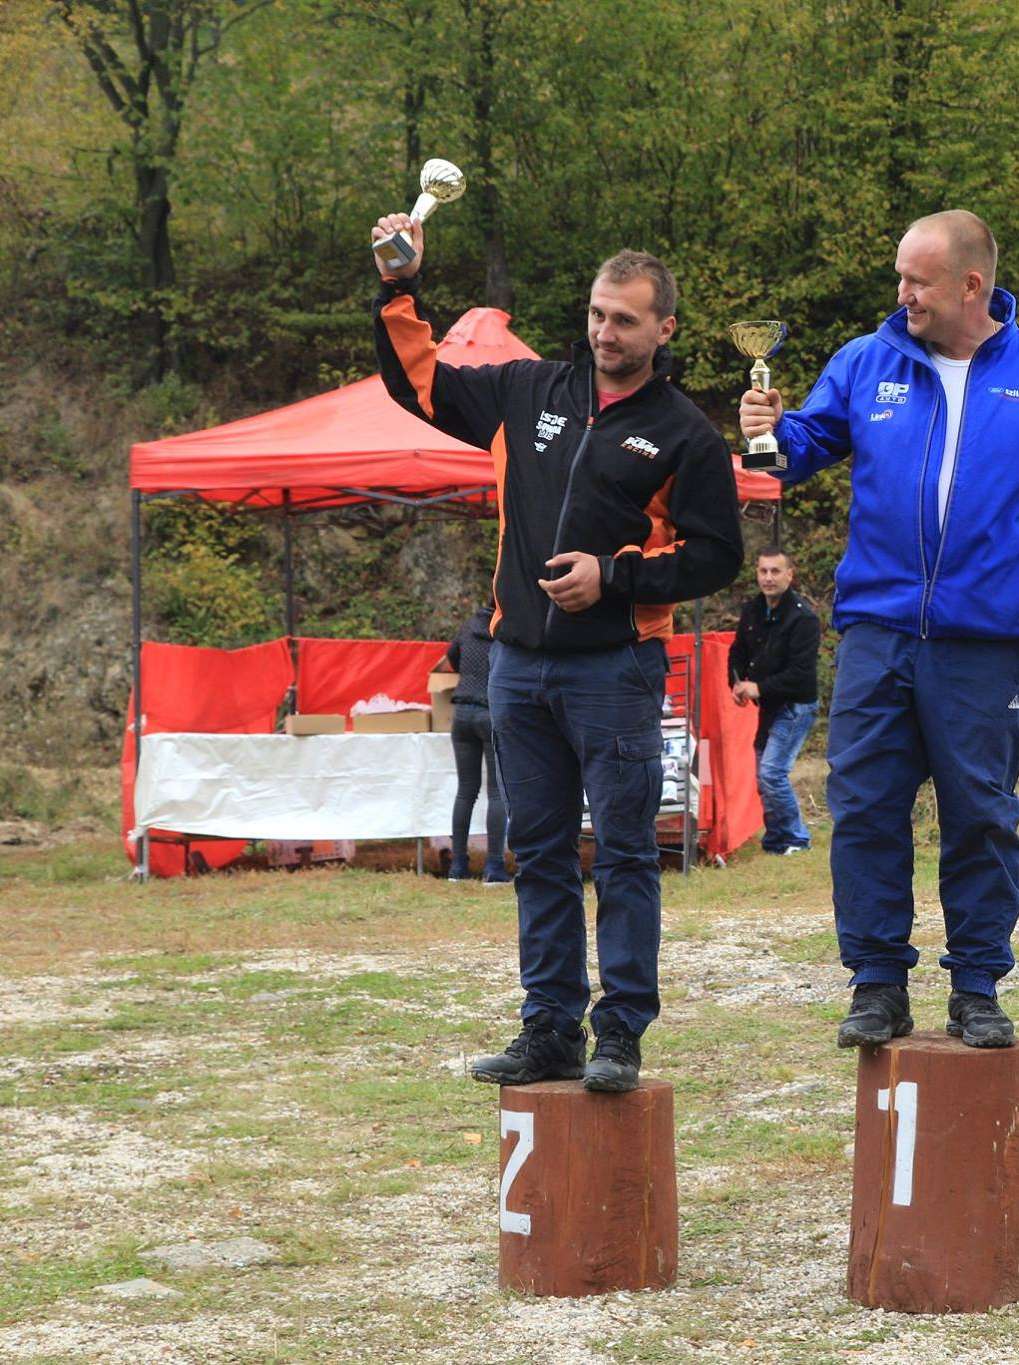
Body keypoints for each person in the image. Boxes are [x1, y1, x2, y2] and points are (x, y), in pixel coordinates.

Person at [372, 217, 743, 1092]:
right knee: (535, 853)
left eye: (625, 320)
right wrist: (397, 288)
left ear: (664, 329)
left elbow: (716, 554)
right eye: (597, 314)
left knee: (622, 855)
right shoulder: (527, 389)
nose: (606, 332)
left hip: (616, 667)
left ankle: (619, 1034)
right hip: (517, 665)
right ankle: (549, 1029)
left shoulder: (685, 434)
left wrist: (614, 576)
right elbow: (418, 384)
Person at [738, 209, 1019, 1050]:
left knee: (980, 813)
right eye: (900, 277)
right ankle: (876, 984)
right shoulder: (865, 360)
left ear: (970, 284)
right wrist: (769, 430)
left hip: (985, 641)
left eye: (917, 280)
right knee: (864, 808)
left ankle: (976, 986)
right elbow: (800, 451)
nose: (902, 293)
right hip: (876, 632)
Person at [728, 548, 822, 855]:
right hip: (768, 705)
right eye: (763, 571)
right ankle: (777, 839)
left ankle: (796, 838)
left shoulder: (803, 618)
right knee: (763, 775)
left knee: (772, 772)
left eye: (775, 571)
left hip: (796, 706)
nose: (768, 578)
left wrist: (759, 687)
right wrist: (736, 682)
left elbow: (801, 674)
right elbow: (738, 652)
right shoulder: (752, 610)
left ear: (789, 575)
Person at [441, 604, 509, 883]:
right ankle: (494, 867)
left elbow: (451, 657)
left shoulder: (469, 625)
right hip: (491, 712)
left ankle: (458, 865)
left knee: (465, 791)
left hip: (461, 713)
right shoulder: (505, 627)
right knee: (497, 793)